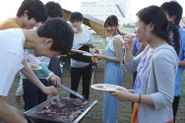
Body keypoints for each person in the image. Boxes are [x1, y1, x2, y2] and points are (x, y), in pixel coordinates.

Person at [111, 6, 179, 123]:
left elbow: (166, 97)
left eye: (137, 25)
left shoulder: (163, 55)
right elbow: (131, 67)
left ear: (151, 26)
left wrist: (130, 97)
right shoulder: (149, 48)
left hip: (156, 119)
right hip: (142, 112)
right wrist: (128, 49)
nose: (134, 30)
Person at [0, 18, 74, 123]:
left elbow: (24, 66)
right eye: (54, 55)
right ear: (48, 42)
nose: (50, 56)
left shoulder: (18, 38)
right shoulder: (12, 50)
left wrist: (43, 87)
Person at [96, 15, 124, 123]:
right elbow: (112, 54)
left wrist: (103, 57)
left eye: (111, 26)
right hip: (109, 71)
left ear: (117, 25)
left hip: (114, 71)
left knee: (112, 99)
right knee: (108, 97)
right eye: (107, 26)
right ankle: (108, 120)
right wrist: (101, 53)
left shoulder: (117, 39)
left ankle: (111, 121)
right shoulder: (112, 38)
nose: (109, 28)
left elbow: (119, 59)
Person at [161, 1, 185, 122]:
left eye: (163, 14)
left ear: (173, 17)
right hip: (155, 90)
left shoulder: (184, 36)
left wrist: (168, 60)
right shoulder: (160, 34)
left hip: (172, 90)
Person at [69, 12, 94, 101]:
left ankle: (85, 104)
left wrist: (91, 44)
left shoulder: (87, 32)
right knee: (74, 86)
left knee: (86, 86)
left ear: (81, 22)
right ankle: (72, 105)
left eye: (77, 21)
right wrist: (72, 34)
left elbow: (92, 44)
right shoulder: (69, 32)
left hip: (87, 63)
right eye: (73, 22)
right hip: (75, 64)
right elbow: (66, 47)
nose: (75, 24)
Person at [38, 1, 63, 85]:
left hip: (46, 68)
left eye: (57, 18)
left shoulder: (52, 31)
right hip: (34, 71)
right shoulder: (35, 29)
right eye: (51, 17)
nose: (54, 21)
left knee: (46, 94)